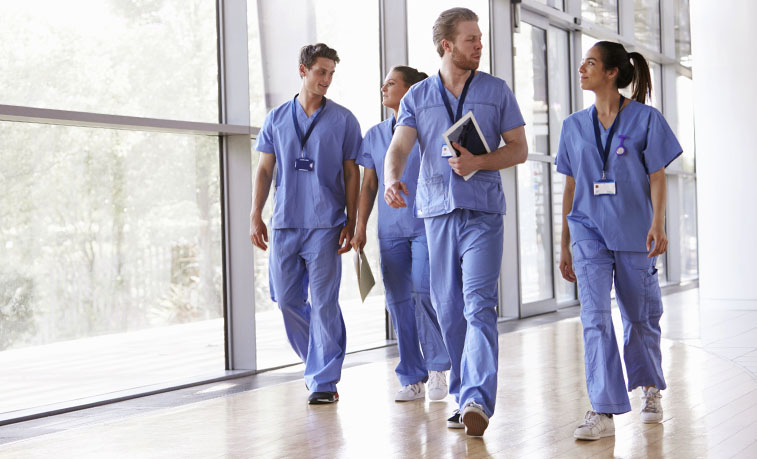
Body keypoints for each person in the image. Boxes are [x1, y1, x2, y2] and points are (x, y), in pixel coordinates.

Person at [383, 8, 527, 436]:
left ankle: (478, 398)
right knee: (448, 309)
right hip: (436, 213)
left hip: (483, 213)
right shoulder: (417, 97)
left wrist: (480, 161)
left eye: (480, 38)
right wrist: (392, 178)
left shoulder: (497, 91)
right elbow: (399, 147)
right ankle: (465, 395)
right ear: (447, 45)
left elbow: (518, 148)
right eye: (471, 40)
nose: (479, 45)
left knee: (479, 304)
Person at [555, 41, 682, 440]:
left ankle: (649, 389)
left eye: (590, 63)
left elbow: (657, 175)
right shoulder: (573, 126)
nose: (581, 68)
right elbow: (571, 185)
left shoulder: (646, 119)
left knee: (639, 316)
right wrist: (564, 242)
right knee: (594, 318)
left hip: (633, 231)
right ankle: (604, 409)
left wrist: (659, 224)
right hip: (587, 232)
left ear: (611, 72)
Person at [250, 43, 362, 405]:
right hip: (284, 223)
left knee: (325, 302)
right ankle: (316, 362)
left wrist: (352, 218)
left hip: (326, 224)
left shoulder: (344, 120)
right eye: (320, 72)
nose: (326, 79)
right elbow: (265, 169)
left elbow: (351, 173)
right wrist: (255, 213)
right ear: (303, 70)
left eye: (331, 73)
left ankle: (324, 380)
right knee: (285, 299)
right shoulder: (276, 118)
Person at [352, 66, 451, 403]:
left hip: (426, 225)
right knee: (398, 303)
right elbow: (369, 184)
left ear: (411, 91)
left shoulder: (430, 129)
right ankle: (412, 376)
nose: (383, 87)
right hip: (390, 231)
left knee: (423, 293)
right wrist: (359, 226)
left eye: (391, 83)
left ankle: (438, 367)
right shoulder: (375, 134)